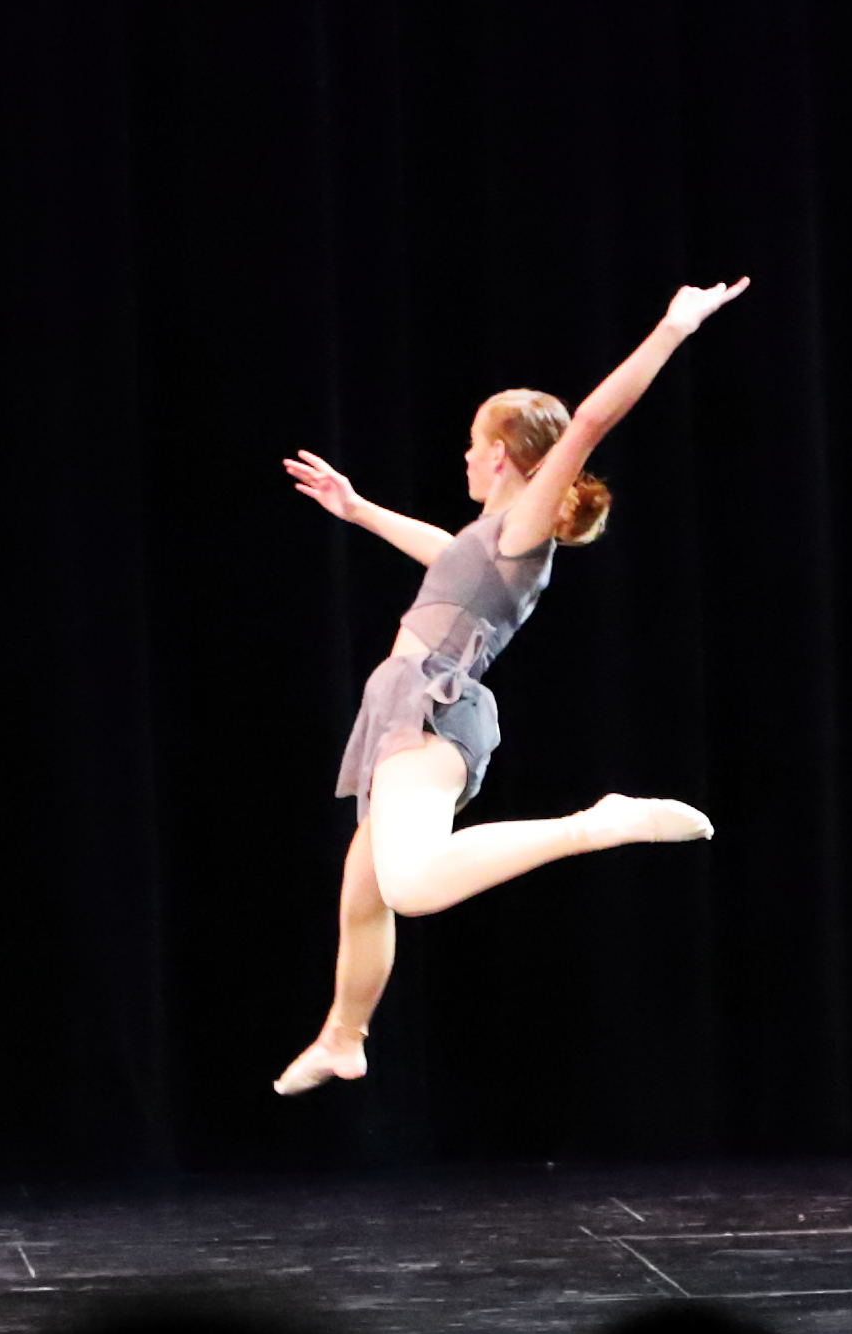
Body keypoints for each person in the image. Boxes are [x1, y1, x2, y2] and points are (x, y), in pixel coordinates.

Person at [270, 279, 751, 1095]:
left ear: (500, 453)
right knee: (365, 889)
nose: (464, 456)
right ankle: (344, 1037)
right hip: (408, 705)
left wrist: (673, 327)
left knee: (410, 884)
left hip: (432, 705)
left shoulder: (526, 523)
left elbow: (591, 420)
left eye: (472, 443)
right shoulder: (490, 539)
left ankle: (594, 825)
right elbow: (447, 557)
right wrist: (359, 512)